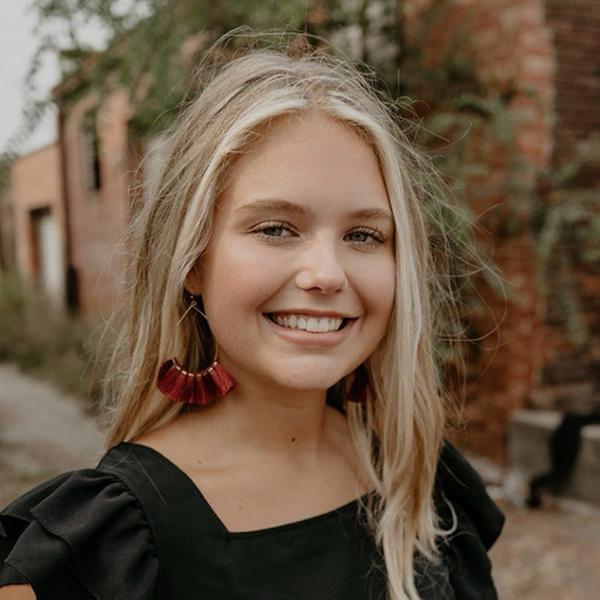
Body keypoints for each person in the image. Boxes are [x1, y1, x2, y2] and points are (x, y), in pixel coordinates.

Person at [0, 39, 504, 600]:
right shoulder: (110, 547)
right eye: (275, 229)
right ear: (192, 261)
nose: (326, 274)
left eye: (363, 235)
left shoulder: (420, 476)